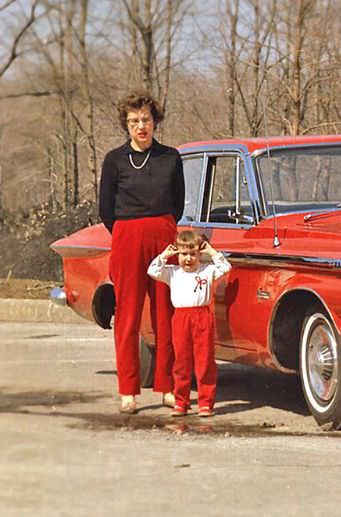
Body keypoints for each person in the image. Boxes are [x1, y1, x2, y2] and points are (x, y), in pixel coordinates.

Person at [99, 92, 185, 414]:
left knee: (166, 313)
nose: (141, 126)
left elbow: (178, 202)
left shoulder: (171, 157)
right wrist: (128, 234)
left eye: (146, 120)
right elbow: (106, 209)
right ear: (126, 124)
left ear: (155, 121)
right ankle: (129, 391)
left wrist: (161, 230)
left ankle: (168, 387)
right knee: (128, 315)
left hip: (163, 233)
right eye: (134, 121)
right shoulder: (114, 160)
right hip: (126, 236)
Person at [148, 231, 231, 417]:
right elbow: (152, 271)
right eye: (184, 254)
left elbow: (225, 267)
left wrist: (211, 251)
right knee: (182, 362)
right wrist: (164, 255)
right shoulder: (172, 273)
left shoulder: (206, 270)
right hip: (181, 318)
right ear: (177, 254)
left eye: (193, 254)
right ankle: (181, 402)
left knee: (205, 361)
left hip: (202, 316)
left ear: (199, 255)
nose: (188, 259)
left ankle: (205, 403)